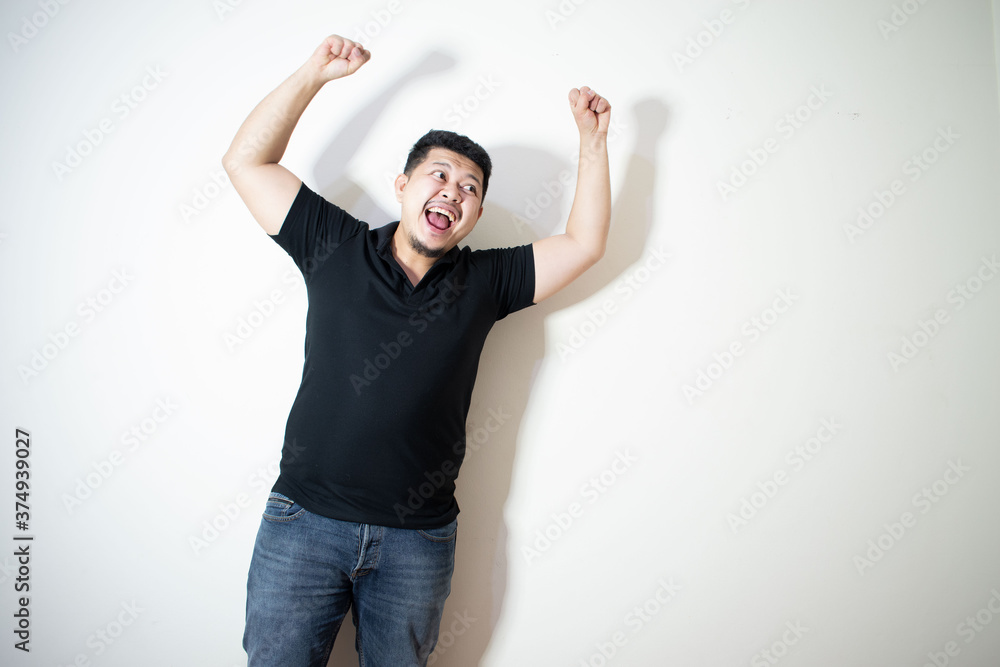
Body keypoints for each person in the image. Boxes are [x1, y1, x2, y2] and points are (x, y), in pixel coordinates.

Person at [223, 33, 611, 667]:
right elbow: (246, 162)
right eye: (440, 175)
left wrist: (592, 145)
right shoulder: (335, 246)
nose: (453, 192)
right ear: (404, 185)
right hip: (303, 527)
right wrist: (315, 74)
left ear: (475, 214)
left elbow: (584, 243)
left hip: (416, 542)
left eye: (470, 188)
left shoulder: (487, 282)